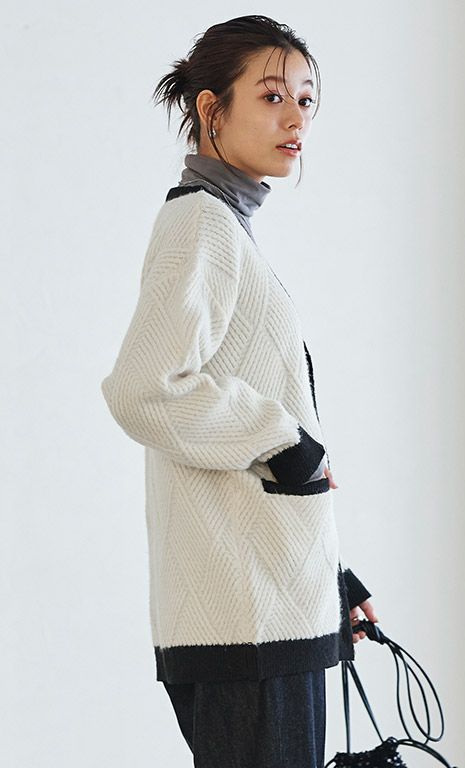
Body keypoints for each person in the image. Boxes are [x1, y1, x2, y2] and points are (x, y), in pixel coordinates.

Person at [100, 14, 379, 768]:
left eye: (306, 100)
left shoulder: (224, 226)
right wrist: (287, 442)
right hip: (245, 623)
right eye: (272, 96)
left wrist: (329, 577)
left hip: (271, 609)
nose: (296, 118)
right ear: (211, 110)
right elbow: (144, 389)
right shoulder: (202, 226)